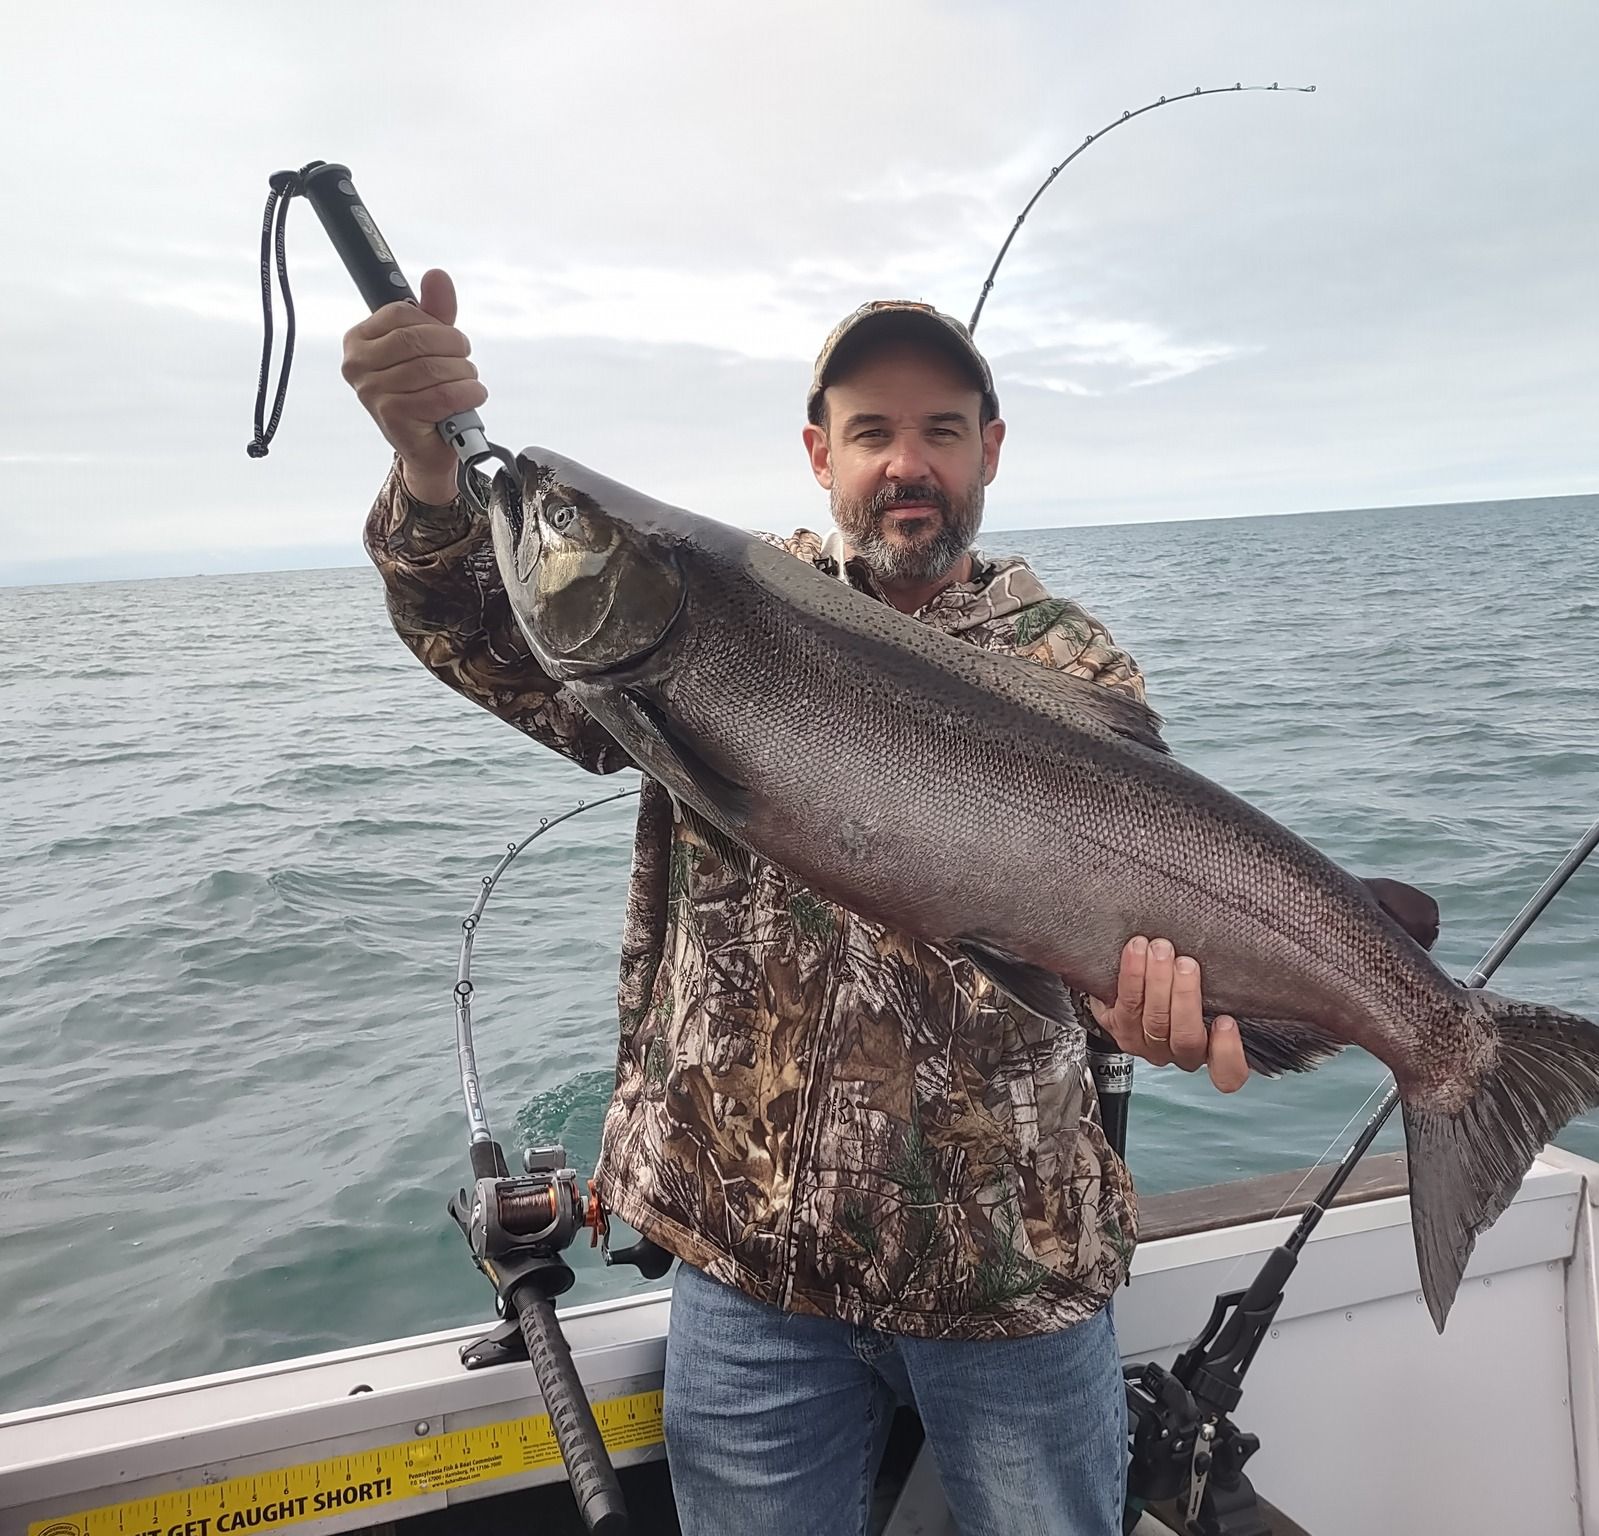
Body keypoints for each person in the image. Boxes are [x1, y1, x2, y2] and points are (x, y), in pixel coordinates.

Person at [342, 273, 1248, 1535]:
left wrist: (1140, 1014)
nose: (906, 464)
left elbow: (1097, 964)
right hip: (748, 1262)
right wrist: (429, 476)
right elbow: (492, 640)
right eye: (872, 432)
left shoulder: (1070, 663)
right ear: (820, 453)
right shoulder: (708, 603)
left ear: (989, 449)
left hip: (1008, 1270)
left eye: (940, 430)